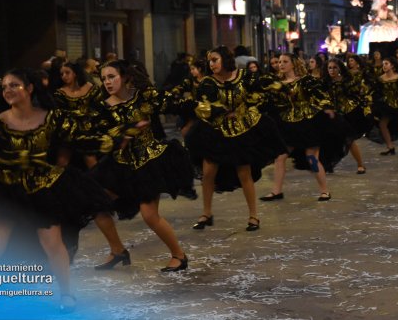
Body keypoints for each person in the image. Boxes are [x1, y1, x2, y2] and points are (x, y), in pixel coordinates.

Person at [0, 68, 114, 313]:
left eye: (14, 85)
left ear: (29, 88)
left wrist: (118, 136)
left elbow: (81, 140)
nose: (8, 90)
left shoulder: (53, 117)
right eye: (4, 87)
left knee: (53, 243)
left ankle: (67, 294)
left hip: (43, 188)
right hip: (7, 189)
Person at [90, 60, 193, 272]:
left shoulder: (144, 96)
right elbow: (102, 137)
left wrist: (197, 104)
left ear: (125, 76)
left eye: (112, 77)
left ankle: (179, 256)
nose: (107, 82)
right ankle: (117, 250)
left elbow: (172, 103)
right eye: (104, 79)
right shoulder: (103, 107)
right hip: (120, 165)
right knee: (95, 202)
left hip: (149, 160)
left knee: (149, 215)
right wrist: (124, 134)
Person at [189, 46, 286, 231]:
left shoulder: (244, 76)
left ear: (225, 60)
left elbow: (259, 94)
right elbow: (203, 105)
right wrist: (222, 111)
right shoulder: (207, 83)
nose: (212, 64)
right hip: (216, 131)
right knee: (208, 172)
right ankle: (206, 213)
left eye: (215, 59)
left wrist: (243, 110)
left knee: (244, 173)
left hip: (241, 130)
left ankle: (253, 216)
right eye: (210, 61)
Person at [260, 53, 334, 202]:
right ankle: (276, 191)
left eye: (285, 61)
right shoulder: (277, 84)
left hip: (307, 123)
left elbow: (321, 95)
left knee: (311, 157)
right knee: (280, 157)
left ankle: (325, 191)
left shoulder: (306, 81)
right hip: (286, 123)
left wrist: (327, 107)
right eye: (279, 62)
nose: (281, 64)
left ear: (293, 64)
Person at [323, 58, 372, 174]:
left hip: (347, 114)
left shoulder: (347, 81)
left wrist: (365, 107)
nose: (332, 70)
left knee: (349, 140)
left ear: (340, 68)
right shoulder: (325, 83)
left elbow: (358, 94)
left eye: (335, 67)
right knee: (330, 140)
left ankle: (360, 165)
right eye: (329, 68)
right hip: (331, 115)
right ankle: (329, 164)